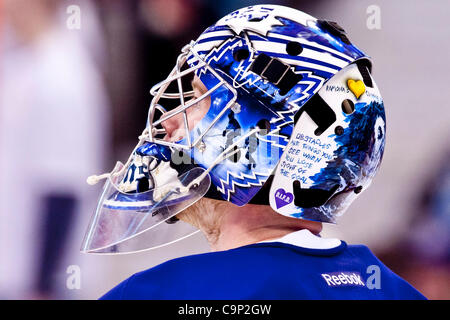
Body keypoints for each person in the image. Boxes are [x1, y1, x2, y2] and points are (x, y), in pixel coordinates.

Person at [82, 5, 426, 299]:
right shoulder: (395, 290)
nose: (170, 122)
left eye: (199, 98)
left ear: (259, 135)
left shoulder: (163, 291)